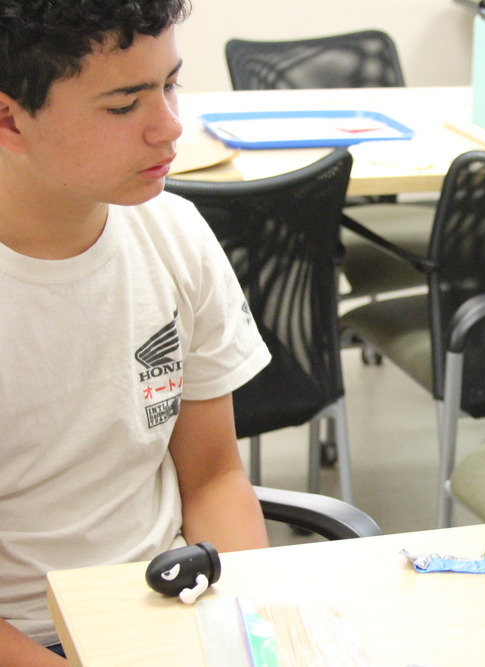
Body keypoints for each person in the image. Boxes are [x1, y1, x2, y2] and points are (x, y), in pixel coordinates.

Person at [0, 1, 272, 663]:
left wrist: (248, 629)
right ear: (9, 119)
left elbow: (211, 477)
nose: (169, 126)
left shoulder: (174, 234)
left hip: (164, 614)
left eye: (170, 84)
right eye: (125, 105)